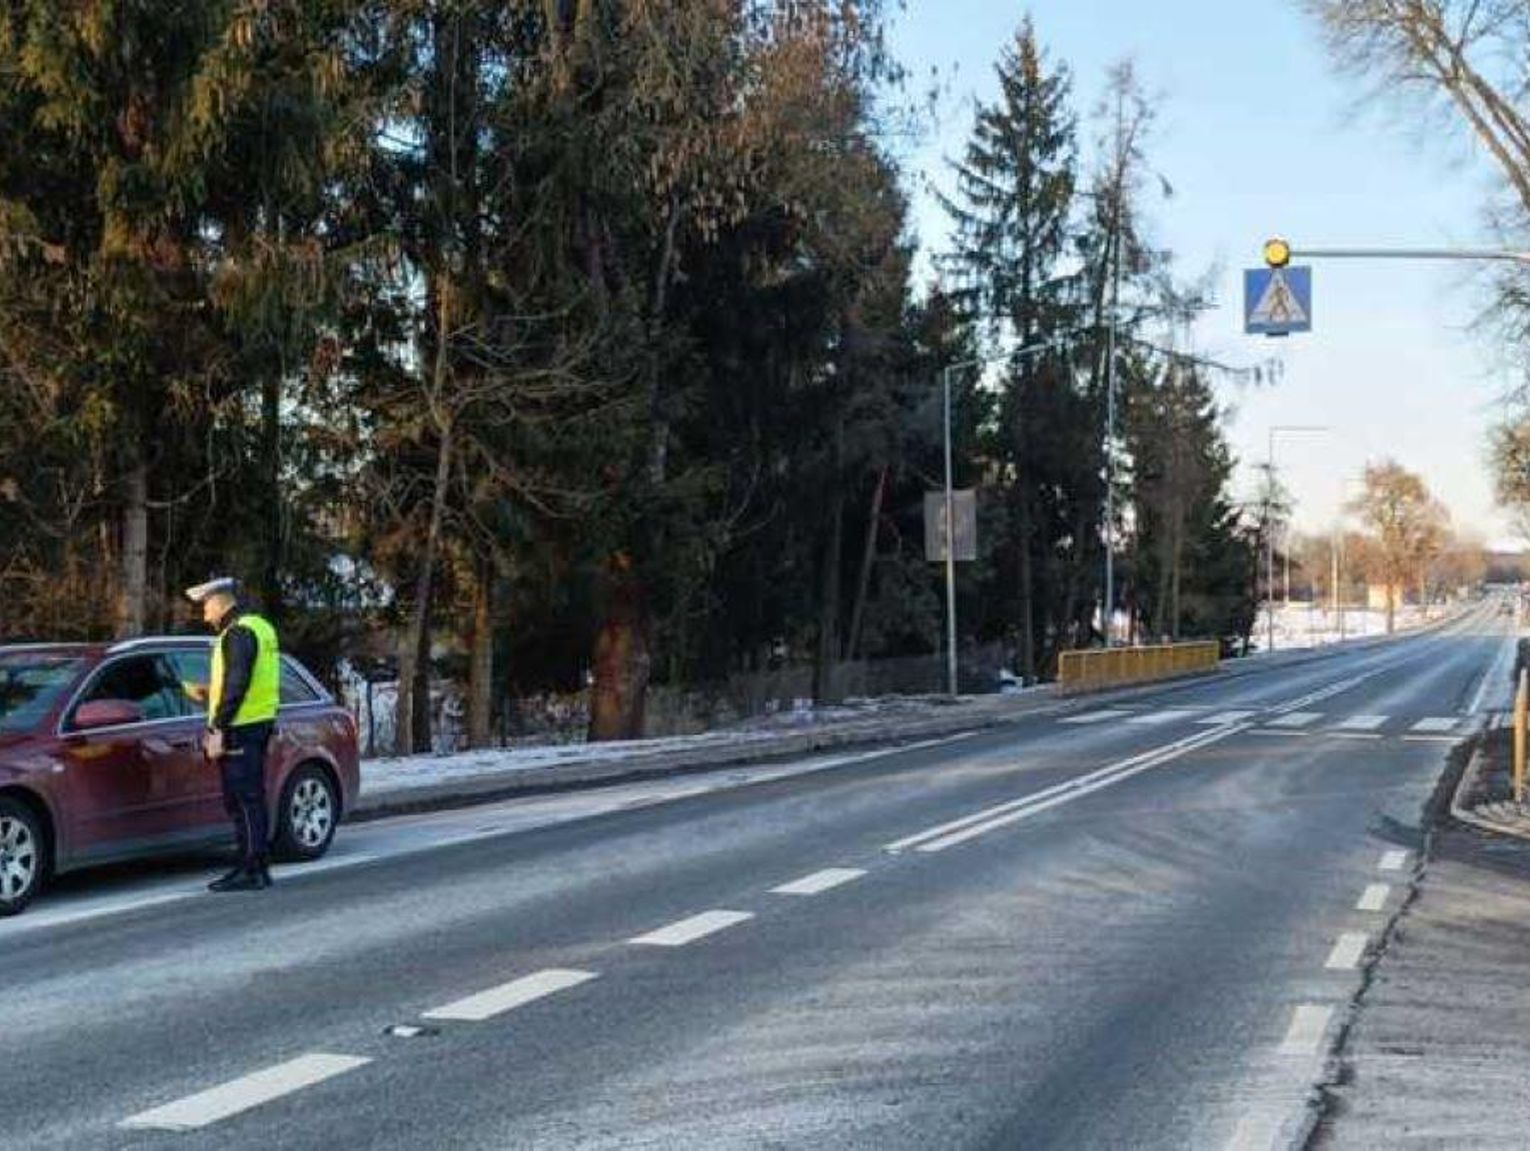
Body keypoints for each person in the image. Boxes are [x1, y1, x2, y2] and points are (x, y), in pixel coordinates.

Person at [185, 577, 281, 893]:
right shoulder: (259, 627)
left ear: (221, 601)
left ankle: (251, 868)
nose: (205, 615)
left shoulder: (237, 632)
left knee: (243, 800)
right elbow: (249, 681)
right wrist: (210, 693)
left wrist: (218, 729)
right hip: (256, 722)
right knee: (248, 798)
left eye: (207, 606)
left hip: (240, 727)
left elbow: (238, 682)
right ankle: (253, 866)